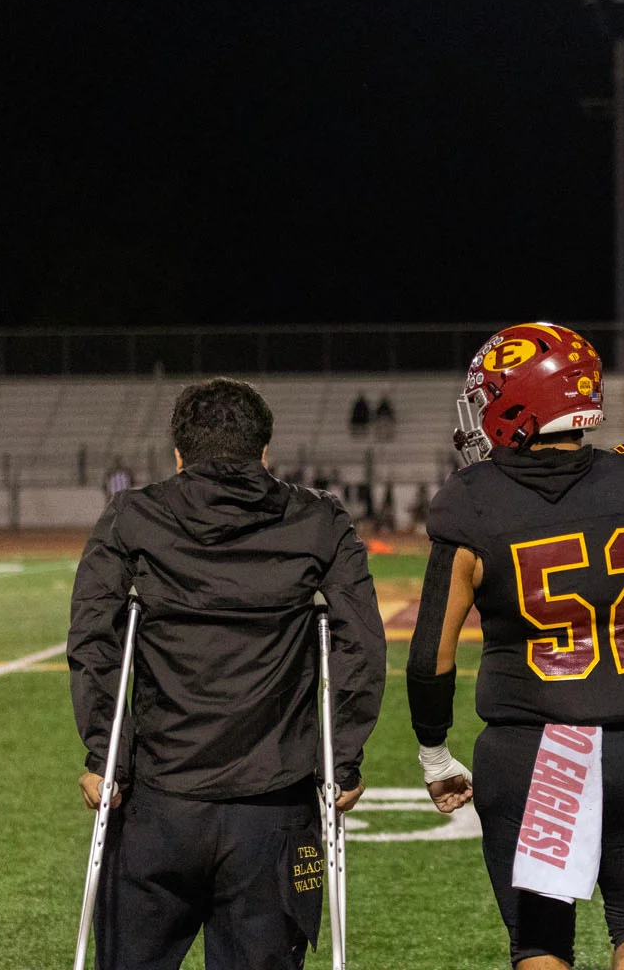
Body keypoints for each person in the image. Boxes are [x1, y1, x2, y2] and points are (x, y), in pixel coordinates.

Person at [404, 322, 624, 970]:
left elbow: (432, 653)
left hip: (535, 751)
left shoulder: (474, 500)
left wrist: (433, 752)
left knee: (542, 944)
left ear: (517, 404)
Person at [68, 377, 387, 969]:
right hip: (275, 808)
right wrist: (341, 759)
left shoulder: (133, 515)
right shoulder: (319, 521)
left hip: (159, 802)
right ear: (265, 452)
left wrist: (103, 753)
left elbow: (94, 636)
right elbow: (361, 643)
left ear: (179, 454)